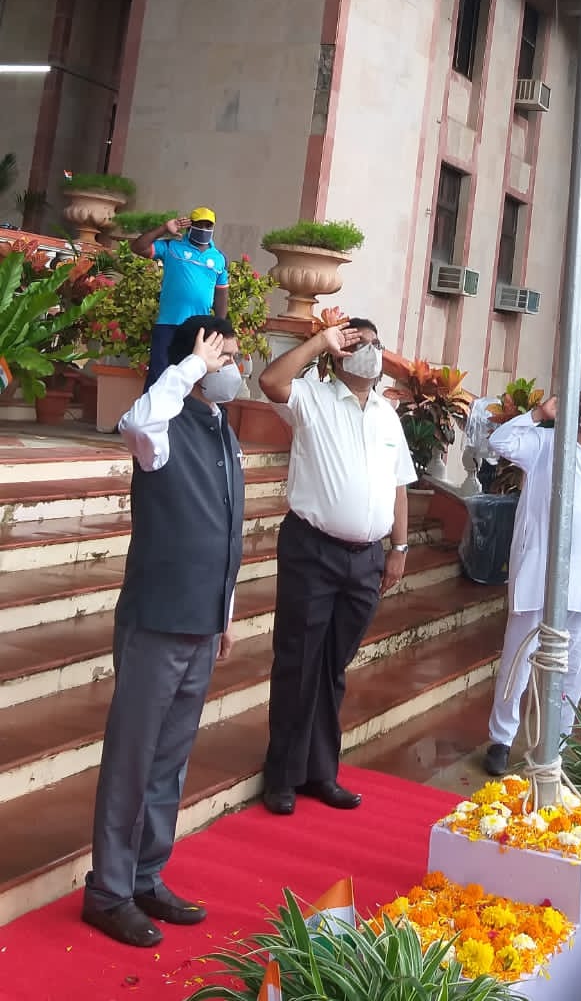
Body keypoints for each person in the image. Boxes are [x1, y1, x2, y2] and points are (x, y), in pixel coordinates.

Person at [82, 316, 245, 949]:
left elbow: (227, 530)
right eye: (224, 358)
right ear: (194, 365)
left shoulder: (221, 429)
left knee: (169, 762)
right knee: (133, 758)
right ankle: (108, 892)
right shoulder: (162, 426)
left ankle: (146, 875)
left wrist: (225, 614)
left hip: (202, 621)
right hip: (157, 619)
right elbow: (136, 422)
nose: (233, 369)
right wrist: (190, 366)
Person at [258, 318, 417, 816]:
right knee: (299, 662)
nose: (370, 351)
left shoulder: (387, 416)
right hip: (314, 551)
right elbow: (270, 382)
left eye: (375, 343)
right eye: (357, 344)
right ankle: (282, 776)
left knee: (333, 667)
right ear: (338, 354)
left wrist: (399, 548)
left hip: (366, 558)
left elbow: (398, 485)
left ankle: (320, 772)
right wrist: (318, 343)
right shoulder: (313, 398)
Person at [482, 378, 581, 777]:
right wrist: (539, 414)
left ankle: (555, 744)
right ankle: (501, 739)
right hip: (538, 569)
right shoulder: (543, 443)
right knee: (518, 660)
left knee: (573, 668)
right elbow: (500, 442)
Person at [134, 209, 229, 386]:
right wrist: (164, 228)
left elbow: (221, 296)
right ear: (190, 226)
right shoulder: (171, 247)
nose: (204, 229)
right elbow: (138, 247)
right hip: (168, 323)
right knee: (158, 376)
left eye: (208, 225)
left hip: (198, 329)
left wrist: (219, 328)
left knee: (189, 379)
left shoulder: (219, 258)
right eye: (199, 224)